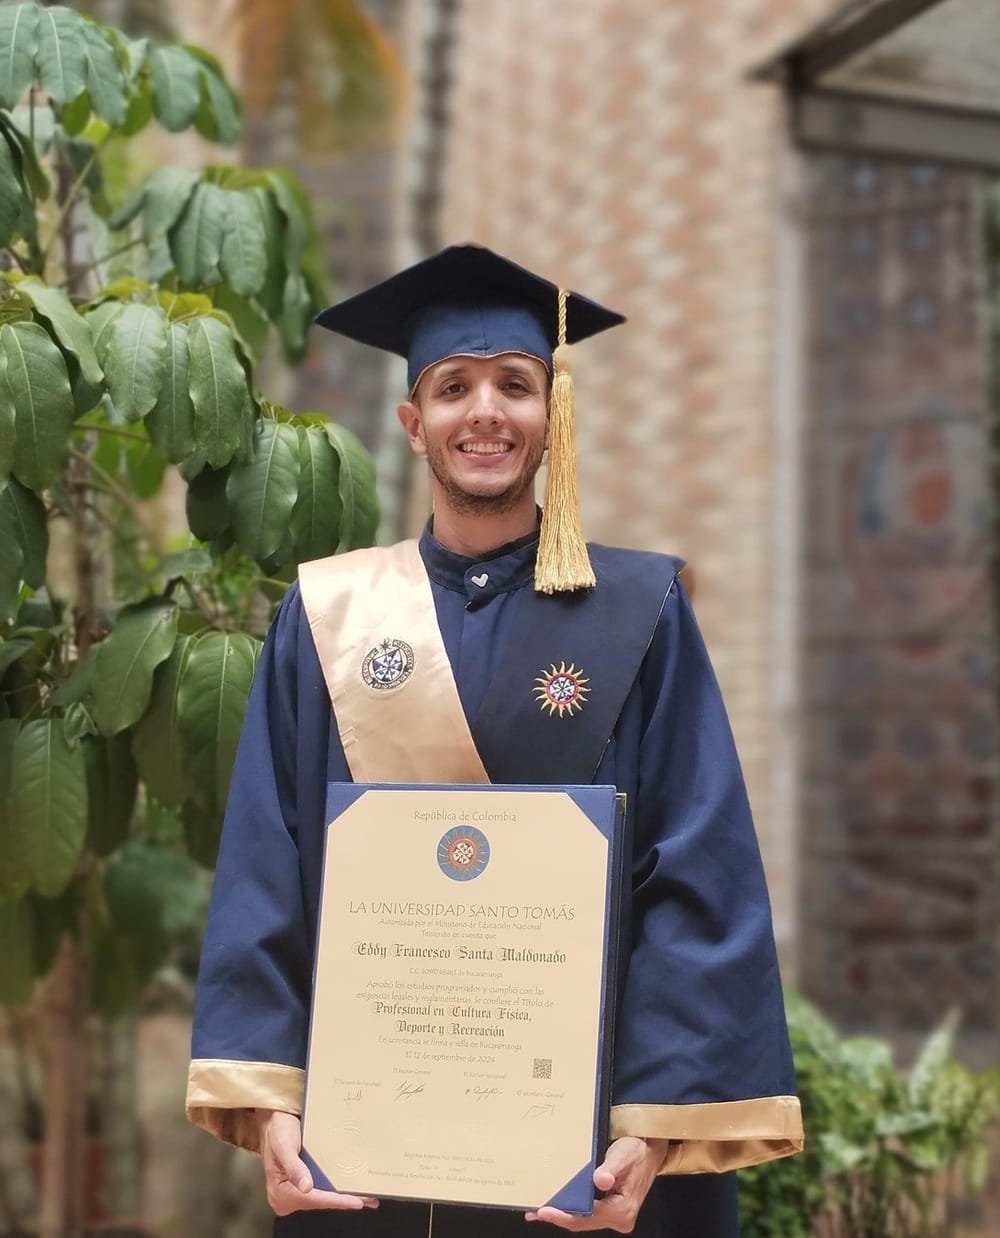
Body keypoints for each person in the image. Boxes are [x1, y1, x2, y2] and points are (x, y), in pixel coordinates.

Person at [186, 244, 803, 1237]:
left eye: (515, 385)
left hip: (586, 1162)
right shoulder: (330, 614)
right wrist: (273, 1098)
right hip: (372, 1152)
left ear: (550, 417)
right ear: (411, 423)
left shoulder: (638, 613)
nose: (484, 410)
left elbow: (699, 868)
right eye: (452, 387)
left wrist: (650, 1127)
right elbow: (269, 856)